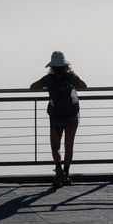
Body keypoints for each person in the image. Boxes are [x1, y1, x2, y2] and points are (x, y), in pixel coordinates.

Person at [29, 51, 87, 187]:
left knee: (55, 147)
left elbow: (32, 87)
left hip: (56, 116)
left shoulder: (48, 79)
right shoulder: (72, 77)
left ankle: (59, 171)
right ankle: (66, 174)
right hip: (72, 115)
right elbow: (84, 86)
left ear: (52, 66)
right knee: (69, 146)